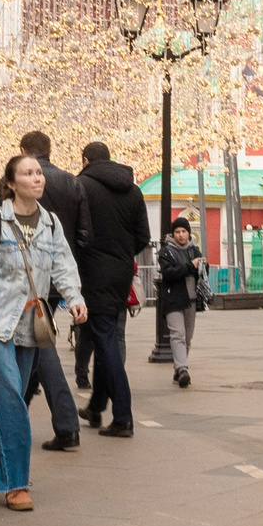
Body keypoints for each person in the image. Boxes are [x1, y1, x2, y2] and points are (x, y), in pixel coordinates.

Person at [0, 156, 86, 510]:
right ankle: (16, 483)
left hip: (31, 325)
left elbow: (63, 265)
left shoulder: (51, 223)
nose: (37, 178)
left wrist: (74, 298)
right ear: (12, 184)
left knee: (5, 398)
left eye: (39, 173)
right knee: (12, 397)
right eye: (28, 173)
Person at [74, 140, 153, 436]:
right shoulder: (133, 189)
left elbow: (75, 230)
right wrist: (120, 254)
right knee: (103, 333)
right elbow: (143, 237)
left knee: (105, 339)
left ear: (85, 160)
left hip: (92, 271)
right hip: (121, 272)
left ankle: (122, 416)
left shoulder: (81, 185)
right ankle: (96, 407)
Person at [19, 132, 97, 417]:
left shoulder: (15, 180)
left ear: (23, 151)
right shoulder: (71, 181)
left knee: (38, 343)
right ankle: (47, 415)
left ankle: (62, 420)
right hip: (59, 276)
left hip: (24, 278)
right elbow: (85, 234)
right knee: (38, 339)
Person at [158, 216, 205, 388]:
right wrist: (191, 266)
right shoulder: (166, 252)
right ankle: (183, 369)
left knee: (188, 337)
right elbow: (169, 273)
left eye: (184, 231)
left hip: (191, 300)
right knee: (178, 334)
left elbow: (200, 274)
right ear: (173, 234)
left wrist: (204, 266)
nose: (181, 235)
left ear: (189, 233)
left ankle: (178, 369)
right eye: (177, 232)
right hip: (173, 299)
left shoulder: (194, 251)